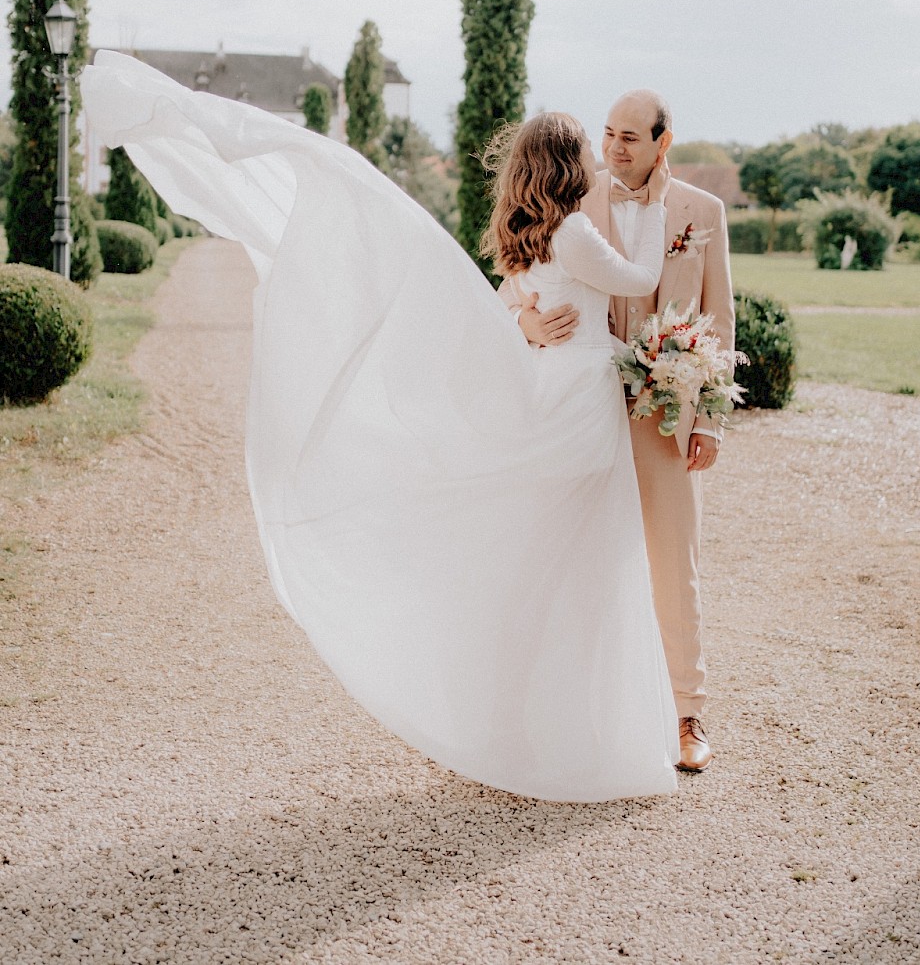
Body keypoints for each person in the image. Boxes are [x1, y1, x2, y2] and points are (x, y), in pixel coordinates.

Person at [81, 53, 682, 802]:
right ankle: (574, 737)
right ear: (567, 164)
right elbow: (643, 280)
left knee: (546, 566)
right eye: (590, 148)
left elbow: (506, 298)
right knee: (590, 571)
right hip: (577, 407)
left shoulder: (534, 234)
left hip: (548, 391)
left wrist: (527, 314)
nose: (601, 156)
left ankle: (525, 724)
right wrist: (652, 205)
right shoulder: (577, 237)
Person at [506, 91, 735, 773]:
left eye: (631, 137)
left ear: (663, 142)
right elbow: (515, 283)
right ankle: (587, 710)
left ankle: (688, 715)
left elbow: (719, 320)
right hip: (587, 407)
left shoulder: (703, 212)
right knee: (583, 562)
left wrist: (713, 420)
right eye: (607, 134)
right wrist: (524, 325)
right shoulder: (574, 204)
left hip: (665, 412)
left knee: (673, 563)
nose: (615, 148)